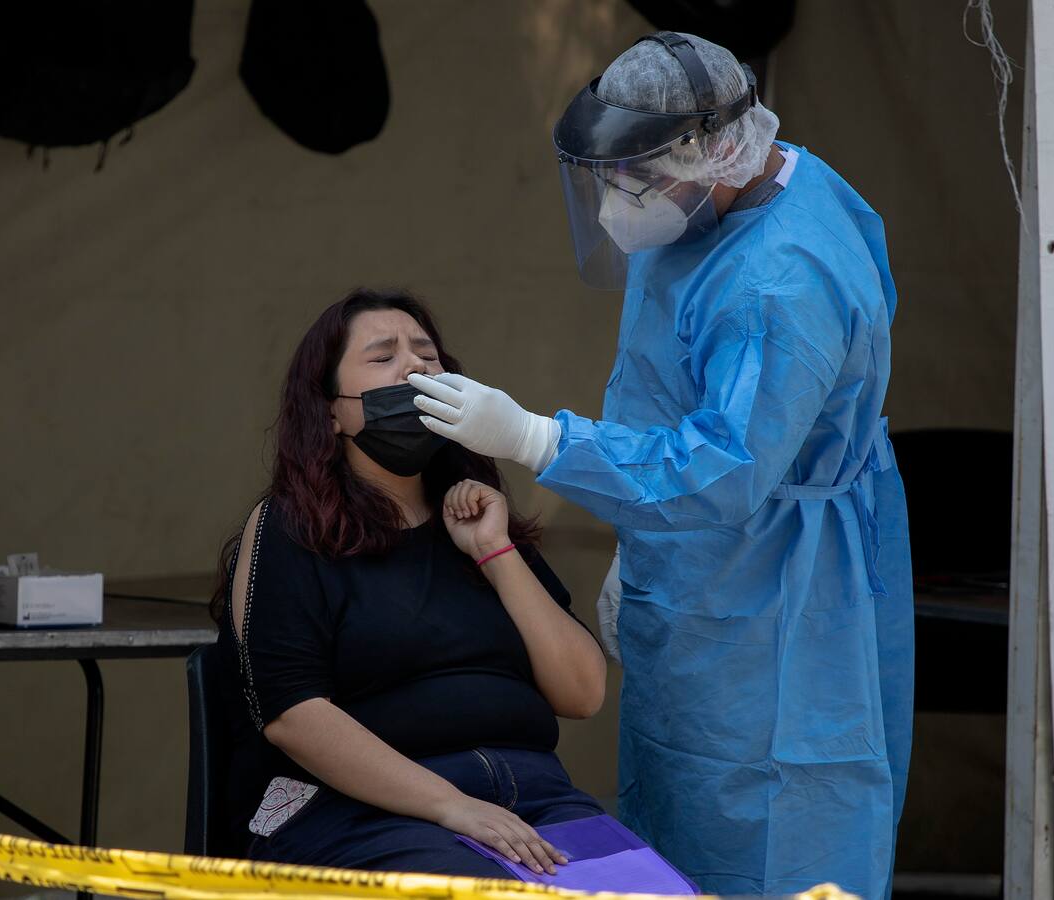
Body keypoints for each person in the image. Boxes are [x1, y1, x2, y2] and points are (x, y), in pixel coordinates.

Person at [408, 31, 914, 899]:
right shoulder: (729, 199)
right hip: (696, 557)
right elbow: (668, 399)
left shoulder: (777, 283)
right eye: (606, 177)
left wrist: (538, 440)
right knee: (670, 824)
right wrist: (647, 548)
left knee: (770, 821)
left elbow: (725, 469)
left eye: (634, 180)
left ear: (717, 153)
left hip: (778, 590)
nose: (614, 207)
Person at [210, 288, 608, 877]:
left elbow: (582, 693)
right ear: (331, 411)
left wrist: (496, 553)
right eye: (383, 356)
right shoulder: (288, 528)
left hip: (535, 799)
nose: (417, 366)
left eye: (428, 354)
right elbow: (292, 714)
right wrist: (452, 807)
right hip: (360, 813)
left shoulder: (478, 519)